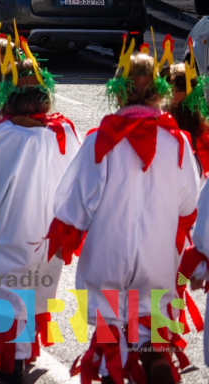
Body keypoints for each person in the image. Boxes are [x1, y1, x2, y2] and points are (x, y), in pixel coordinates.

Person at [48, 47, 198, 384]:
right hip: (157, 254)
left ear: (117, 91)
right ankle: (154, 356)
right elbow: (189, 204)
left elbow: (78, 201)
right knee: (150, 316)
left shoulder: (102, 140)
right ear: (158, 92)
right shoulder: (177, 141)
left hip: (108, 253)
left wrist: (66, 238)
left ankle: (110, 368)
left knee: (108, 320)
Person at [0, 55, 79, 383]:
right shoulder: (64, 130)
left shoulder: (6, 133)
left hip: (10, 232)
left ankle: (15, 360)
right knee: (33, 289)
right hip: (51, 233)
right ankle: (24, 350)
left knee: (11, 292)